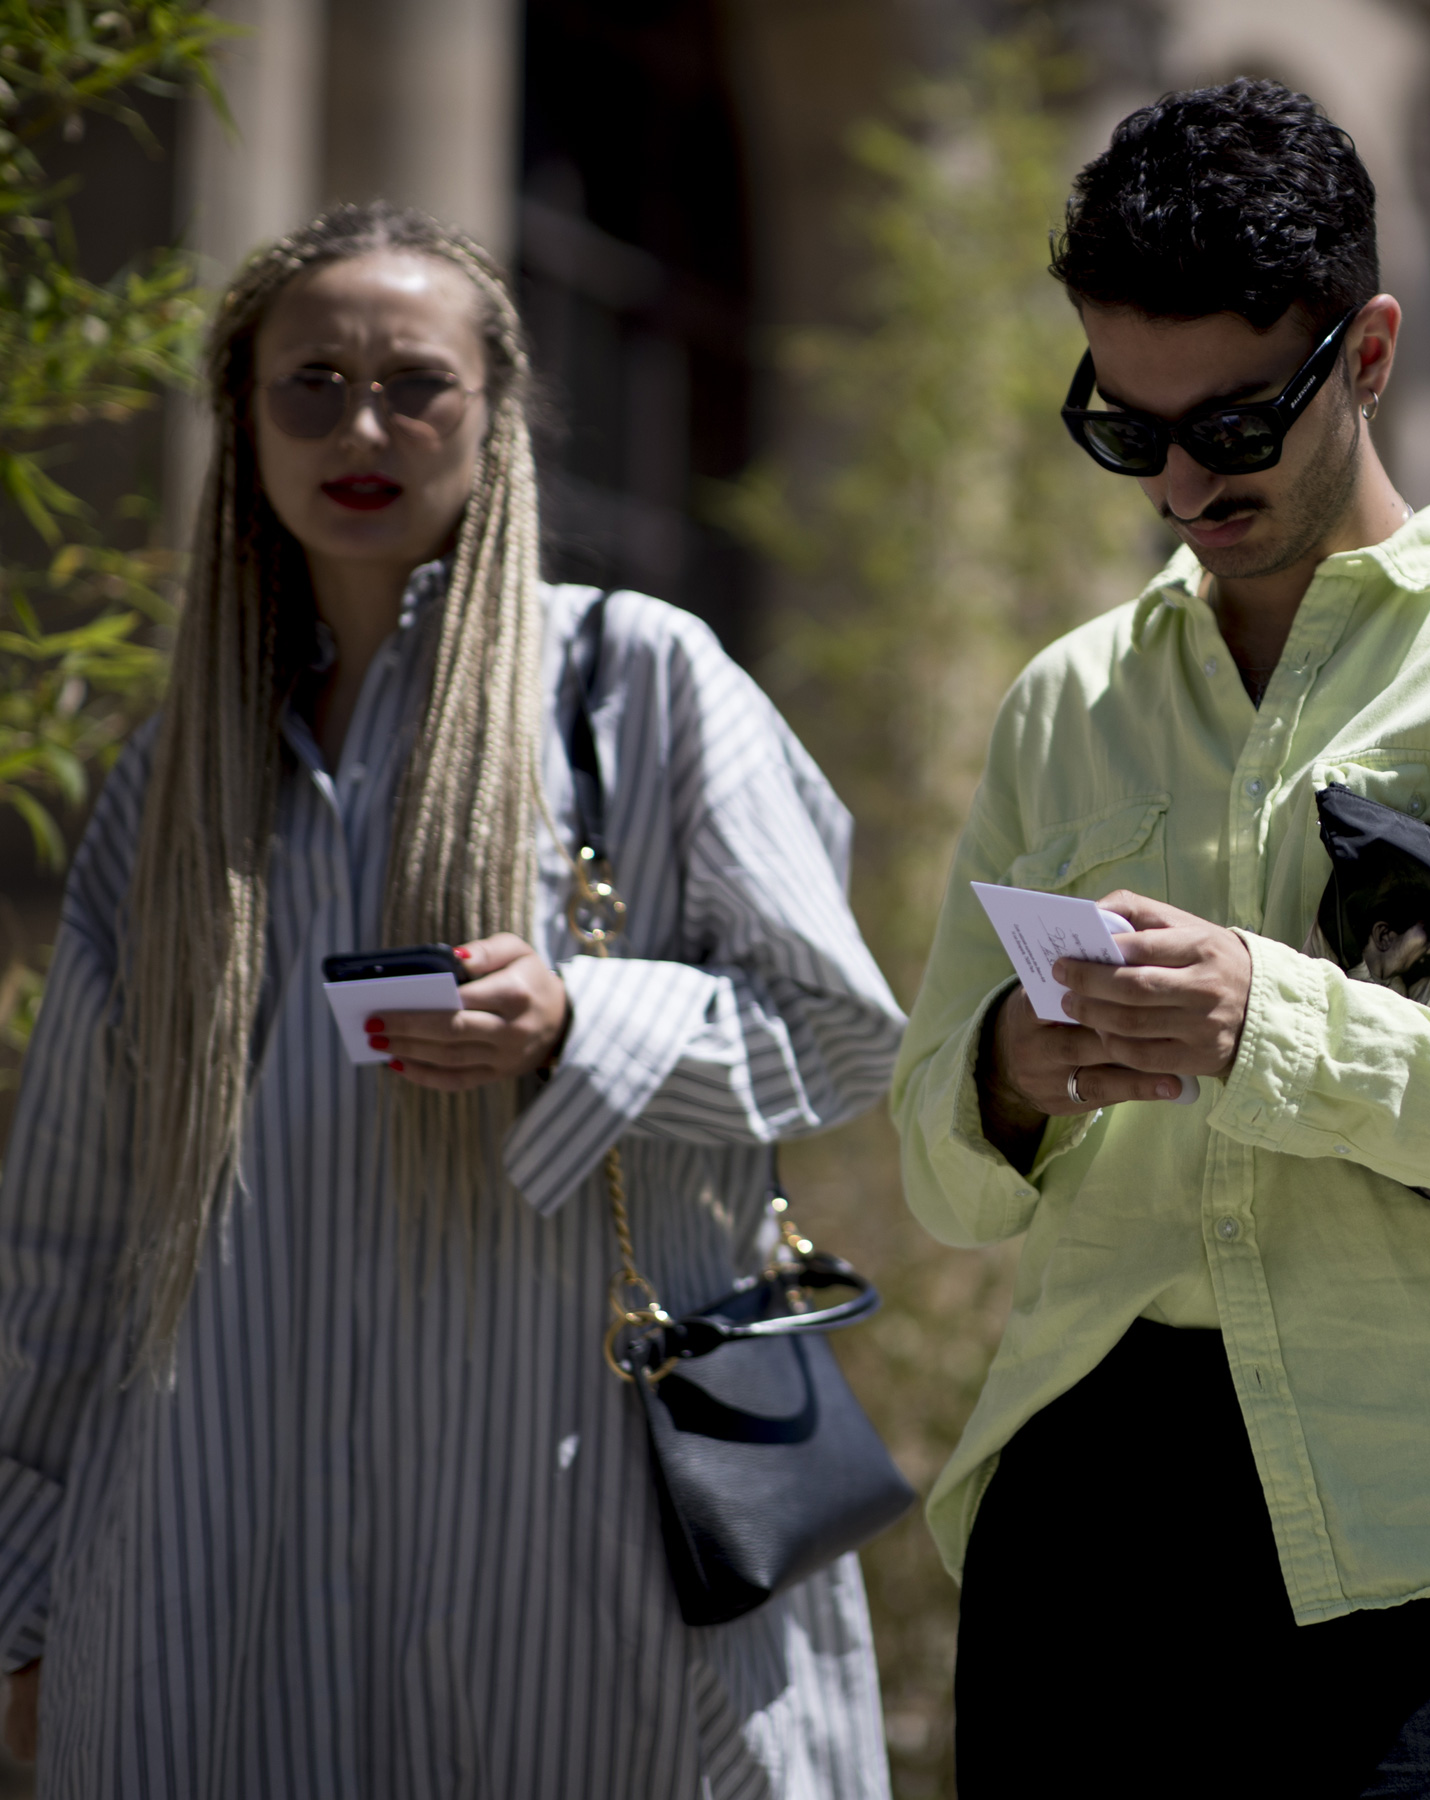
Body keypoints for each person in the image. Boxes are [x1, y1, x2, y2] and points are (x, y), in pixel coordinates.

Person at [888, 78, 1430, 1798]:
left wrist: (1262, 1024)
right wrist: (1009, 1071)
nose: (1182, 482)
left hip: (1411, 1529)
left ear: (1367, 355)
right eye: (1128, 430)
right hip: (1080, 1515)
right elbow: (938, 1167)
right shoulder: (1067, 707)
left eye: (1232, 426)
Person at [0, 204, 904, 1794]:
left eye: (415, 383)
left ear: (496, 421)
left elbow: (841, 1036)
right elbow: (64, 1238)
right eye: (312, 383)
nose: (362, 424)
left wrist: (582, 1025)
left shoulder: (637, 686)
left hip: (576, 1567)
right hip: (218, 1570)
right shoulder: (172, 782)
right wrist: (20, 1602)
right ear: (243, 419)